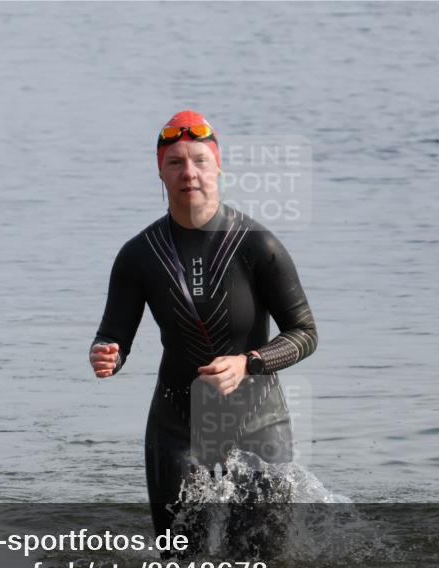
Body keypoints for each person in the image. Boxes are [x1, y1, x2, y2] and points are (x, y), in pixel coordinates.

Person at [89, 110, 318, 545]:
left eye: (199, 160)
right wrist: (107, 354)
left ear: (218, 166)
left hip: (258, 424)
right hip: (175, 428)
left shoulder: (257, 245)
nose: (188, 172)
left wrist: (250, 363)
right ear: (160, 171)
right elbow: (114, 337)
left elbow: (305, 333)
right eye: (175, 162)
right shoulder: (138, 255)